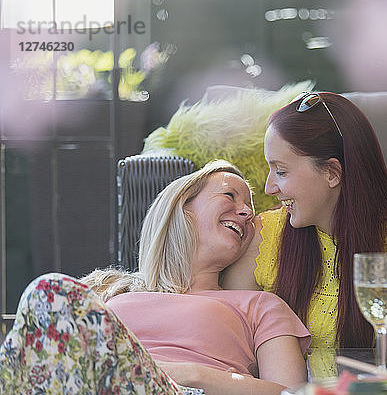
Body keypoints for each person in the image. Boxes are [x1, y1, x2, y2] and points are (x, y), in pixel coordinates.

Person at [0, 160, 310, 395]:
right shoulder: (111, 291)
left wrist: (190, 374)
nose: (245, 213)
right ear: (181, 207)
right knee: (50, 293)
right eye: (230, 195)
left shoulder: (260, 305)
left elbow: (291, 393)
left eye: (249, 210)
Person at [222, 92, 387, 349]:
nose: (269, 188)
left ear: (332, 173)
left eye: (281, 171)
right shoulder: (263, 235)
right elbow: (232, 348)